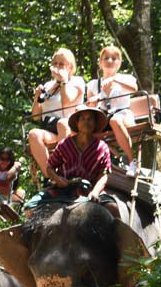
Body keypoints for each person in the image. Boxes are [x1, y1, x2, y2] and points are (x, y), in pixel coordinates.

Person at [28, 105, 117, 217]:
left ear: (95, 124)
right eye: (83, 119)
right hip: (62, 189)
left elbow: (104, 174)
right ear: (77, 123)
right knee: (30, 208)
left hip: (88, 190)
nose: (86, 122)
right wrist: (58, 180)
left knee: (113, 209)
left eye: (90, 119)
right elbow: (50, 167)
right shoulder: (64, 144)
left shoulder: (102, 147)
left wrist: (95, 191)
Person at [27, 47, 85, 176]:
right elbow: (36, 117)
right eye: (55, 64)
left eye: (61, 64)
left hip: (72, 127)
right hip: (51, 128)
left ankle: (63, 168)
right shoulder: (48, 85)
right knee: (33, 134)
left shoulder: (76, 81)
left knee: (63, 124)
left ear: (70, 67)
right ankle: (50, 175)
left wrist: (63, 81)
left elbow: (66, 102)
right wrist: (36, 98)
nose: (57, 67)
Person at [86, 44, 139, 174]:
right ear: (100, 62)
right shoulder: (93, 84)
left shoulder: (125, 78)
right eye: (106, 58)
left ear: (119, 63)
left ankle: (132, 161)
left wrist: (115, 80)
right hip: (103, 118)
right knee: (81, 128)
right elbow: (90, 107)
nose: (110, 61)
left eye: (114, 58)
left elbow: (134, 89)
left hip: (122, 114)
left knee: (115, 120)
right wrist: (95, 100)